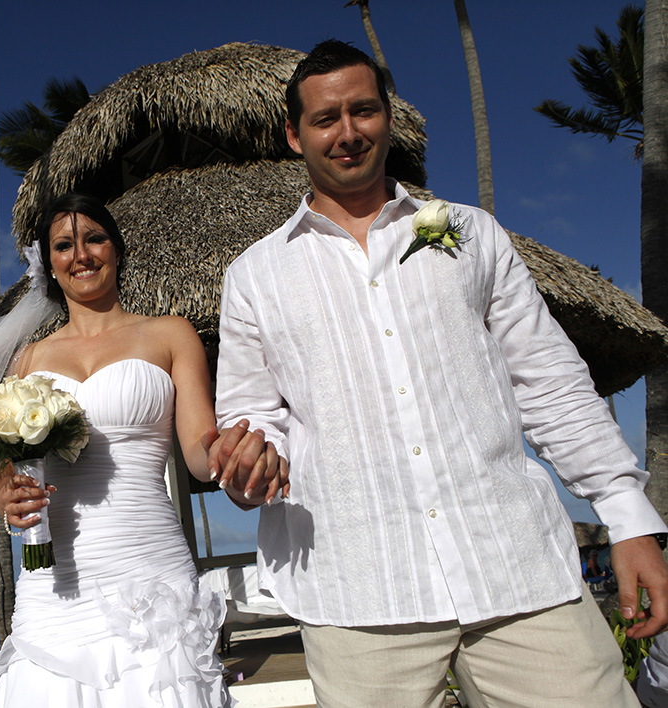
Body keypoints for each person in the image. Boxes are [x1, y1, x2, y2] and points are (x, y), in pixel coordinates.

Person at [209, 39, 668, 707]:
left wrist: (627, 518)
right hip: (358, 589)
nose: (347, 132)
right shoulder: (254, 275)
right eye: (325, 118)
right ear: (293, 134)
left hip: (516, 569)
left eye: (363, 111)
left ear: (388, 118)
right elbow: (252, 416)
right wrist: (253, 467)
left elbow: (550, 384)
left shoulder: (472, 233)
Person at [0, 193, 272, 707]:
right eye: (64, 245)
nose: (81, 255)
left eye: (94, 238)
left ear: (116, 249)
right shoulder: (26, 361)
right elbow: (9, 479)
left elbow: (200, 451)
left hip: (150, 573)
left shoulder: (170, 334)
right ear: (49, 264)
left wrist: (227, 451)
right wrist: (6, 496)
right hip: (54, 588)